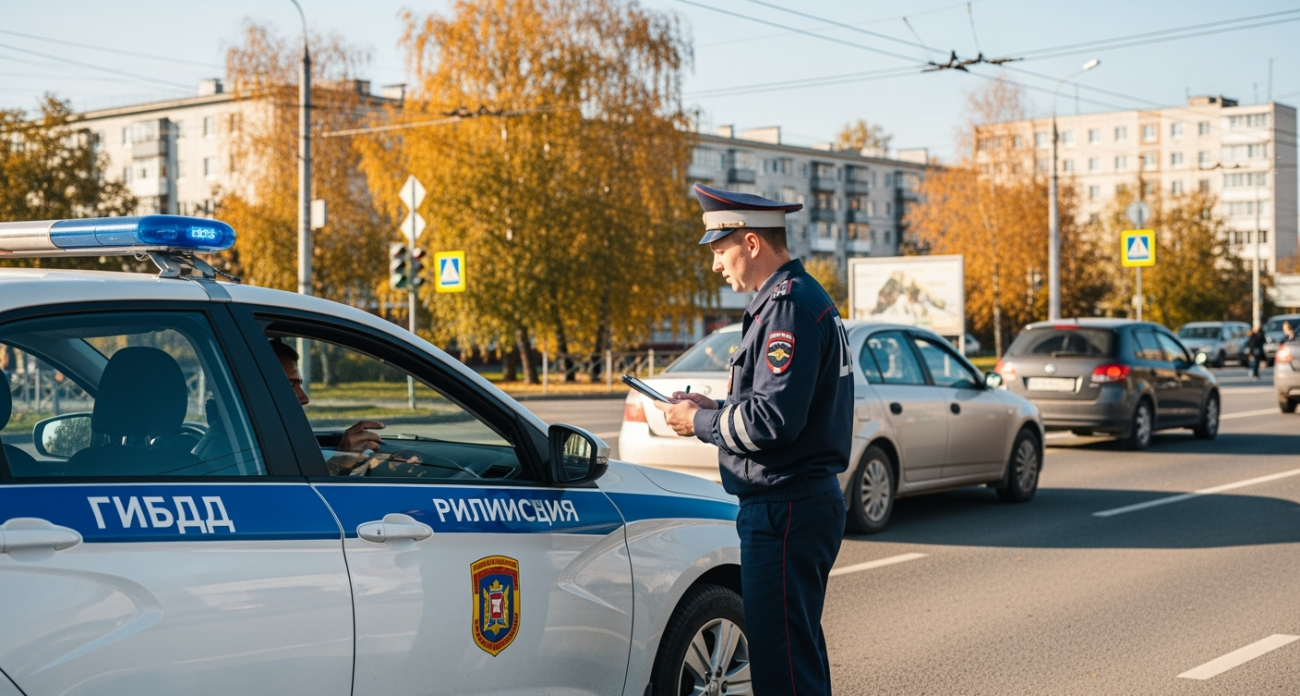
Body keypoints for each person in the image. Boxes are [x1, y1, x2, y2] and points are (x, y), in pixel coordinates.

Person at [655, 183, 853, 696]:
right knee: (795, 658)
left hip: (785, 508)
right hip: (793, 505)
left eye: (720, 251)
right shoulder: (791, 300)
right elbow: (775, 406)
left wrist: (699, 424)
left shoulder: (787, 307)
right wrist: (714, 409)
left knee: (783, 672)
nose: (716, 265)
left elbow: (772, 422)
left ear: (750, 243)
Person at [271, 339, 386, 474]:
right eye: (291, 385)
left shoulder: (274, 440)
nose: (305, 399)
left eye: (298, 385)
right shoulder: (256, 448)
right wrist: (336, 464)